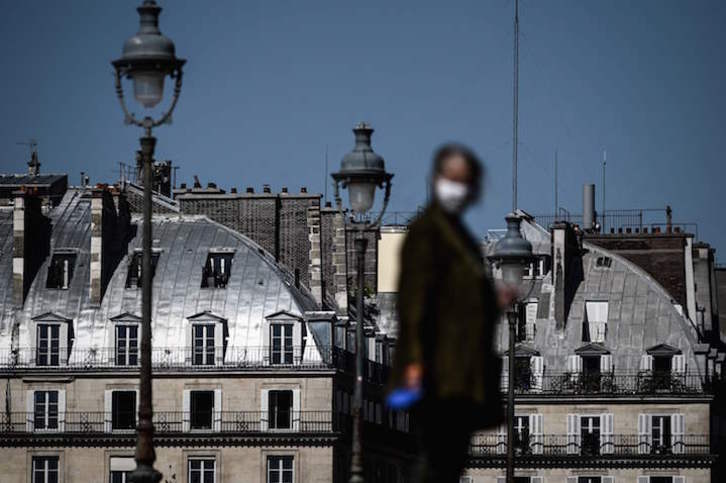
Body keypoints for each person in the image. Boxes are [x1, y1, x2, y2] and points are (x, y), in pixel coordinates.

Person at [390, 143, 513, 483]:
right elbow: (413, 302)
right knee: (439, 462)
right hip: (438, 370)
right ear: (435, 179)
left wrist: (492, 301)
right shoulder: (428, 233)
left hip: (460, 369)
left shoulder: (457, 235)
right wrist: (415, 363)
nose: (458, 188)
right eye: (453, 179)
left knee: (448, 461)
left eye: (465, 181)